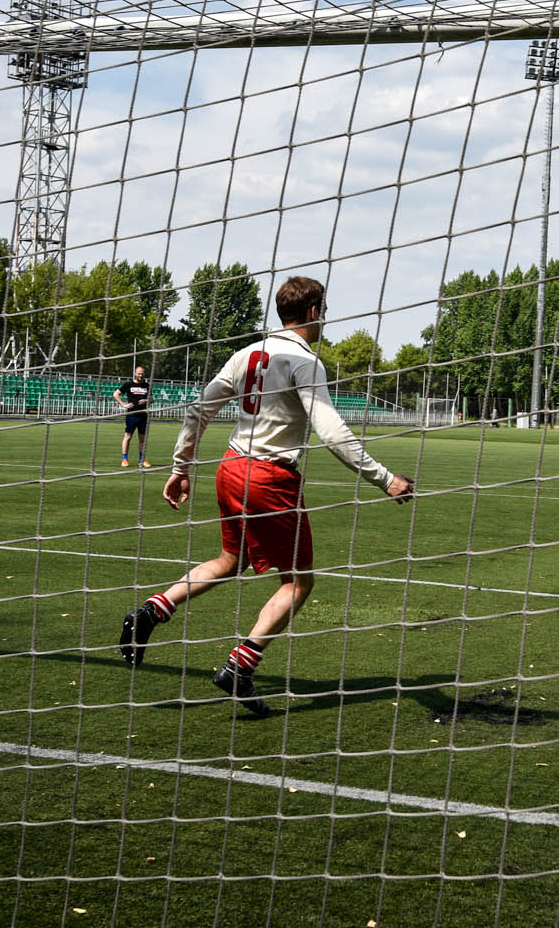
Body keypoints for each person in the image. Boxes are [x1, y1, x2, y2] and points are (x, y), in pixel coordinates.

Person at [118, 277, 414, 710]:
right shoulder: (304, 361)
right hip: (269, 478)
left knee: (230, 561)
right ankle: (240, 667)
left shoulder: (246, 354)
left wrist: (181, 467)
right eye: (324, 310)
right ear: (314, 312)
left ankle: (150, 611)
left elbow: (200, 408)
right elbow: (331, 431)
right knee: (298, 582)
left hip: (231, 468)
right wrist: (385, 478)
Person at [117, 365, 154, 469]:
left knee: (142, 439)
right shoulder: (129, 384)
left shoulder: (147, 385)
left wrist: (147, 400)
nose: (140, 375)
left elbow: (152, 399)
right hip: (131, 415)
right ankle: (124, 459)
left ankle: (142, 460)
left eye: (142, 373)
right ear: (135, 373)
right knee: (127, 437)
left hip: (143, 415)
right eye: (139, 373)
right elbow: (116, 394)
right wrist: (123, 404)